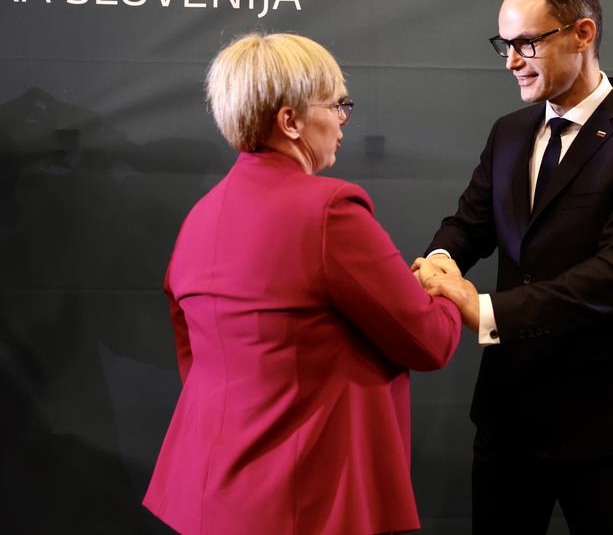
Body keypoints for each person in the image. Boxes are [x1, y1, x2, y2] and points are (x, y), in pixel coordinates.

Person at [143, 33, 462, 535]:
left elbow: (194, 362)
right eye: (336, 106)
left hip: (207, 499)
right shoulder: (330, 212)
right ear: (290, 121)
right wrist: (444, 287)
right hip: (307, 503)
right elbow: (429, 341)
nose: (342, 121)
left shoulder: (198, 219)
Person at [415, 0, 613, 533]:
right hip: (508, 413)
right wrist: (440, 263)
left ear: (583, 34)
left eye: (527, 43)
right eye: (505, 45)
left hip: (607, 418)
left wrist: (482, 309)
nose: (511, 61)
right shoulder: (509, 132)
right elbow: (469, 224)